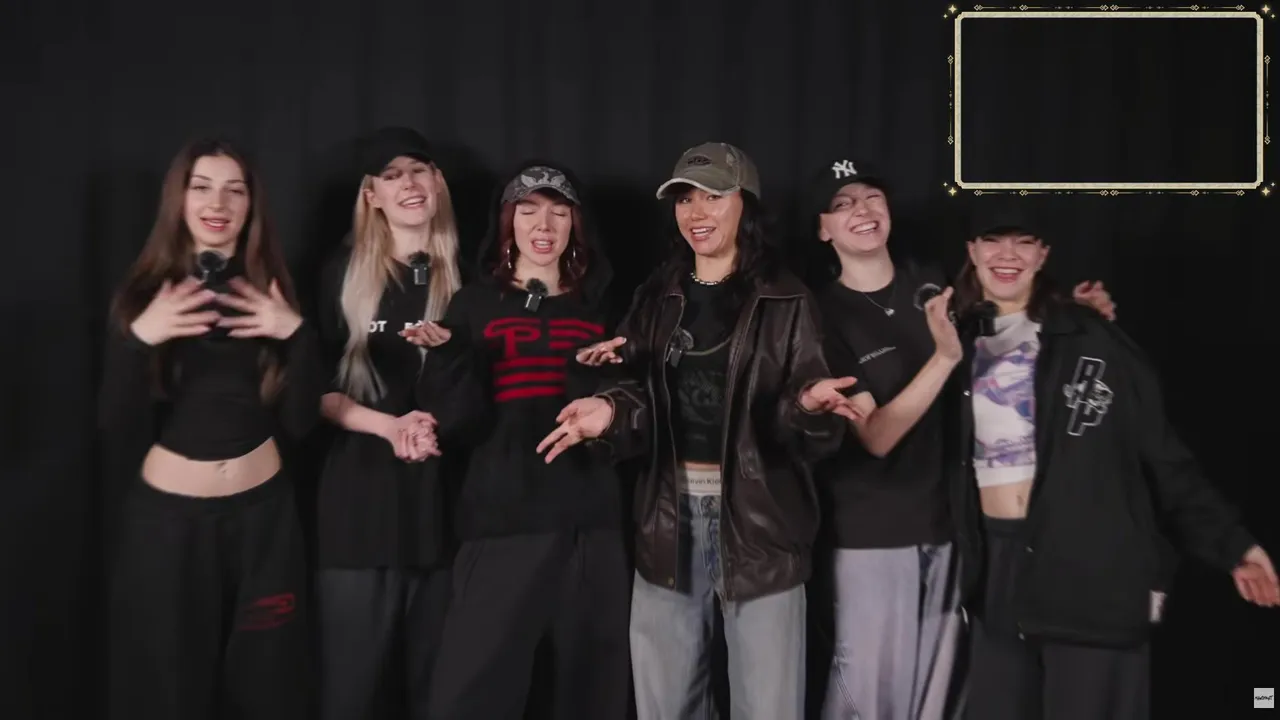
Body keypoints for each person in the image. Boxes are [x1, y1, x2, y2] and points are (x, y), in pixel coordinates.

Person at [540, 142, 862, 720]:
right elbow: (637, 393)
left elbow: (806, 435)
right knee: (666, 704)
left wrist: (808, 406)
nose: (697, 212)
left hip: (762, 524)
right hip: (668, 517)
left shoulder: (788, 300)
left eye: (713, 196)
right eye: (685, 199)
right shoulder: (658, 295)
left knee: (768, 707)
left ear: (746, 204)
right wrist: (609, 410)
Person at [801, 158, 1116, 720]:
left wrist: (1076, 314)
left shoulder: (935, 283)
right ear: (824, 229)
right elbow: (875, 436)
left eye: (871, 197)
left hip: (951, 528)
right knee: (867, 700)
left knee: (937, 702)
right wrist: (944, 358)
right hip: (874, 537)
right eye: (843, 204)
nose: (862, 211)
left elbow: (1012, 329)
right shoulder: (821, 316)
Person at [948, 199, 1280, 720]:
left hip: (1087, 565)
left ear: (1042, 255)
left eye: (1023, 242)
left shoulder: (1092, 337)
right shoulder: (954, 343)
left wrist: (1232, 544)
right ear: (972, 251)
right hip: (997, 566)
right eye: (993, 240)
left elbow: (1161, 453)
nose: (1007, 254)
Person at [99, 138, 324, 720]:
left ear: (251, 204)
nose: (217, 203)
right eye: (201, 187)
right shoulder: (145, 295)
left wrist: (297, 335)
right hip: (170, 529)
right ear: (179, 199)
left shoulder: (272, 292)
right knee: (168, 694)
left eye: (234, 189)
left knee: (269, 691)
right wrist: (139, 341)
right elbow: (116, 430)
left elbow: (301, 425)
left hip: (265, 522)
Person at [414, 160, 631, 719]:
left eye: (559, 212)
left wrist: (600, 382)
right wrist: (449, 355)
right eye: (529, 210)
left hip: (592, 522)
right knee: (472, 693)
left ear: (575, 224)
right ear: (507, 221)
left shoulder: (601, 307)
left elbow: (627, 422)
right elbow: (457, 423)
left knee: (596, 693)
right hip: (503, 518)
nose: (544, 225)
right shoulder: (474, 304)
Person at [312, 126, 465, 719]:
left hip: (443, 518)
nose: (409, 184)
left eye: (419, 170)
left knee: (438, 695)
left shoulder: (468, 278)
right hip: (360, 517)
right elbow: (312, 395)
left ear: (438, 182)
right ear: (371, 194)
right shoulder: (342, 273)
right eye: (392, 175)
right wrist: (389, 427)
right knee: (349, 695)